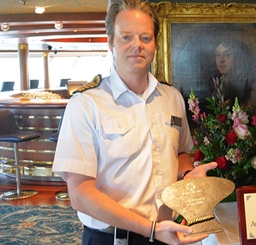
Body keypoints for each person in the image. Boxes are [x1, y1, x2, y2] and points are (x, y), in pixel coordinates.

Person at [52, 0, 216, 244]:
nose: (136, 45)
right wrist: (149, 229)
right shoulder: (86, 104)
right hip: (113, 239)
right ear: (110, 42)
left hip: (167, 235)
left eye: (145, 38)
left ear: (155, 44)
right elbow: (80, 194)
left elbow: (181, 152)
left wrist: (187, 173)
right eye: (126, 37)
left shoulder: (172, 98)